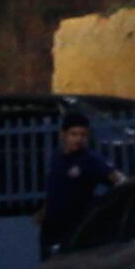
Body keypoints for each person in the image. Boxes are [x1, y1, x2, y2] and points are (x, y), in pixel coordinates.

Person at [39, 109, 109, 257]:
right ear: (63, 135)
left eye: (83, 135)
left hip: (76, 230)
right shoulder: (56, 157)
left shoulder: (90, 160)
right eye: (74, 134)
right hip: (52, 229)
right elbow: (56, 188)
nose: (78, 139)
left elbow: (116, 179)